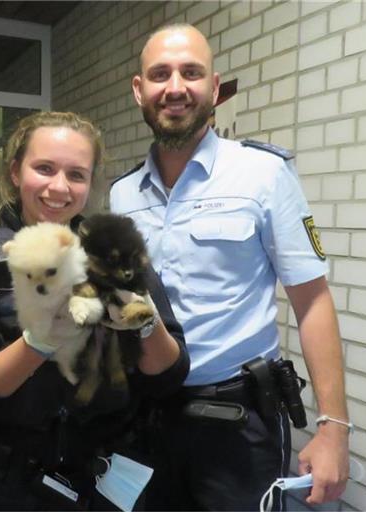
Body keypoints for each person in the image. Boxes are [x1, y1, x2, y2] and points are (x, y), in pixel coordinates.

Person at [110, 24, 351, 511]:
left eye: (191, 73)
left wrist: (334, 427)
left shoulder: (263, 174)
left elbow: (312, 301)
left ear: (214, 88)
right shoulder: (122, 195)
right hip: (145, 419)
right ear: (140, 90)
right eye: (160, 74)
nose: (175, 87)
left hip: (237, 424)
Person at [0, 111, 189, 511]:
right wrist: (39, 341)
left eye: (76, 175)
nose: (59, 187)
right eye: (44, 168)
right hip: (15, 486)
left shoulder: (116, 254)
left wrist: (147, 323)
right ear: (15, 172)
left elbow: (168, 377)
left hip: (112, 479)